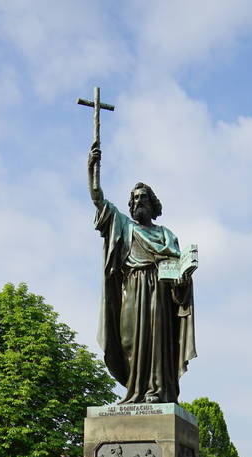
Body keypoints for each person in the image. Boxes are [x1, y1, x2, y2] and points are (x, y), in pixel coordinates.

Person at [88, 143, 196, 404]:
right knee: (130, 341)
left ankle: (155, 391)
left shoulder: (165, 235)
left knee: (157, 345)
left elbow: (179, 275)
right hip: (132, 290)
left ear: (152, 203)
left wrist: (183, 279)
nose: (138, 201)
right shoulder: (124, 226)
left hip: (158, 295)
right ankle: (134, 391)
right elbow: (98, 199)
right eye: (135, 198)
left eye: (143, 198)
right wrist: (93, 168)